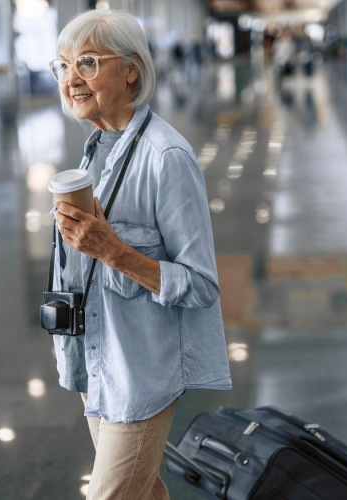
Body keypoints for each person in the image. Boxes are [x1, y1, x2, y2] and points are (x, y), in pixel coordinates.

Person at [47, 10, 232, 499]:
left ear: (131, 69)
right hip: (95, 360)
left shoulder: (166, 158)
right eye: (61, 67)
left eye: (86, 63)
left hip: (141, 375)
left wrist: (114, 251)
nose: (71, 80)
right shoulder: (95, 150)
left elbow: (201, 284)